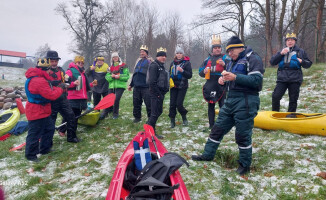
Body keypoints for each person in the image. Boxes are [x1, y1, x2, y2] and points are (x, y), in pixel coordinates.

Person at [192, 36, 265, 176]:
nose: (229, 54)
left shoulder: (253, 58)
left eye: (231, 50)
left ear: (240, 47)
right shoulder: (231, 62)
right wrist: (223, 80)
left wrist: (235, 77)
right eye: (228, 51)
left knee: (242, 134)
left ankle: (244, 165)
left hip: (247, 100)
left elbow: (257, 80)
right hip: (230, 100)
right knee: (217, 129)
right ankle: (207, 154)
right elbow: (230, 79)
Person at [25, 58, 64, 162]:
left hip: (42, 110)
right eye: (49, 70)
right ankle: (30, 155)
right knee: (34, 134)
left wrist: (55, 85)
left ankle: (44, 149)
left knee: (49, 129)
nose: (50, 72)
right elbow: (51, 95)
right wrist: (61, 88)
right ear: (46, 70)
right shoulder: (39, 80)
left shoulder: (37, 77)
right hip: (36, 111)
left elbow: (48, 88)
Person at [270, 33, 312, 112]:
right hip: (282, 79)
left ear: (295, 41)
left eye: (292, 40)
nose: (290, 42)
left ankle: (291, 116)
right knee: (275, 96)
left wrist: (302, 61)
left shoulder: (300, 51)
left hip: (295, 79)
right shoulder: (281, 51)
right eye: (288, 40)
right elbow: (272, 62)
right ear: (285, 42)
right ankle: (275, 114)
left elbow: (308, 64)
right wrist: (280, 54)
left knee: (293, 99)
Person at [46, 50, 79, 143]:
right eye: (52, 61)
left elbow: (66, 83)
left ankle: (71, 137)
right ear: (48, 61)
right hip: (52, 100)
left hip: (63, 99)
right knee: (51, 121)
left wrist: (72, 84)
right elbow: (42, 85)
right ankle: (47, 143)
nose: (54, 63)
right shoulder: (45, 71)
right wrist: (51, 83)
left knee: (71, 116)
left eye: (55, 61)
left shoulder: (61, 70)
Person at [199, 35, 230, 129]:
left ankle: (222, 124)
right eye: (215, 48)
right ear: (212, 49)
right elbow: (200, 72)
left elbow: (232, 70)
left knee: (222, 106)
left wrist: (225, 65)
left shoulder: (226, 58)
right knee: (211, 105)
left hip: (221, 84)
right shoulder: (207, 60)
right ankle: (211, 125)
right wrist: (203, 72)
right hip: (210, 85)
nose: (217, 49)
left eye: (219, 48)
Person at [65, 56, 97, 126]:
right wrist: (73, 83)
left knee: (76, 117)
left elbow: (84, 86)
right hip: (73, 98)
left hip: (81, 98)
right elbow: (65, 84)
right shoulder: (70, 71)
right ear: (75, 62)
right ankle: (64, 131)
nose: (80, 64)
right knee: (71, 117)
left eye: (82, 63)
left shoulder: (82, 72)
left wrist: (91, 84)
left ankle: (72, 134)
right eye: (78, 62)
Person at [147, 47, 169, 139]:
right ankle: (151, 133)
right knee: (155, 113)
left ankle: (148, 126)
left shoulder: (161, 66)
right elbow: (152, 82)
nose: (163, 57)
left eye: (164, 56)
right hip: (155, 93)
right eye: (161, 56)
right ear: (157, 57)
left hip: (160, 93)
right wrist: (158, 93)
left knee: (158, 111)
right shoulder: (154, 66)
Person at [169, 46, 192, 128]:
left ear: (183, 54)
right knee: (172, 104)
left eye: (180, 53)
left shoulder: (187, 63)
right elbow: (169, 73)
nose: (179, 55)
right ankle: (172, 120)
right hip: (173, 86)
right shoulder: (172, 63)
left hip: (182, 86)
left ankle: (184, 116)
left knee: (179, 104)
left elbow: (190, 75)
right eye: (177, 53)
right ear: (175, 54)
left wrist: (182, 71)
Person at [128, 45, 152, 123]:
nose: (141, 53)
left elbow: (152, 74)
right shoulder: (138, 61)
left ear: (146, 53)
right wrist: (131, 84)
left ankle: (150, 118)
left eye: (143, 52)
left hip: (146, 86)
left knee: (148, 103)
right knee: (136, 103)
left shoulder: (150, 61)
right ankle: (137, 117)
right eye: (141, 52)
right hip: (137, 86)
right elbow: (134, 73)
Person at [102, 52, 130, 119]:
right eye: (113, 57)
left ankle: (115, 114)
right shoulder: (110, 67)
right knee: (108, 99)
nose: (115, 58)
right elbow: (107, 77)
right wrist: (111, 76)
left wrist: (119, 76)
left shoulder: (124, 65)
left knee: (116, 99)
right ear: (112, 58)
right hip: (111, 86)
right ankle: (105, 113)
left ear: (118, 58)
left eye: (116, 57)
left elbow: (127, 76)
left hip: (120, 86)